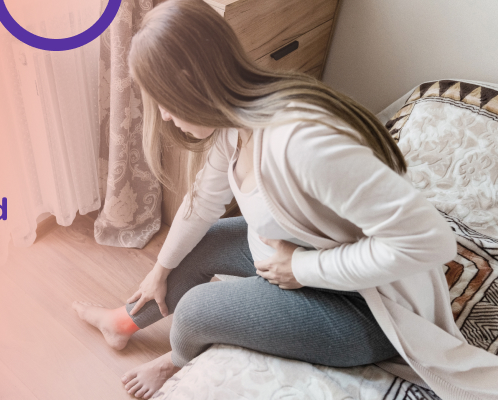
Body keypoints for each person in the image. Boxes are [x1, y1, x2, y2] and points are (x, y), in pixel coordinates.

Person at [72, 0, 498, 399]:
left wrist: (299, 267)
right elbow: (201, 201)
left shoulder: (305, 142)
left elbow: (431, 241)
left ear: (191, 84)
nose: (164, 115)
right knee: (198, 246)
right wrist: (159, 271)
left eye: (163, 102)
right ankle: (123, 322)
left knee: (195, 312)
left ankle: (176, 362)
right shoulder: (232, 120)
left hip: (368, 310)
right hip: (303, 261)